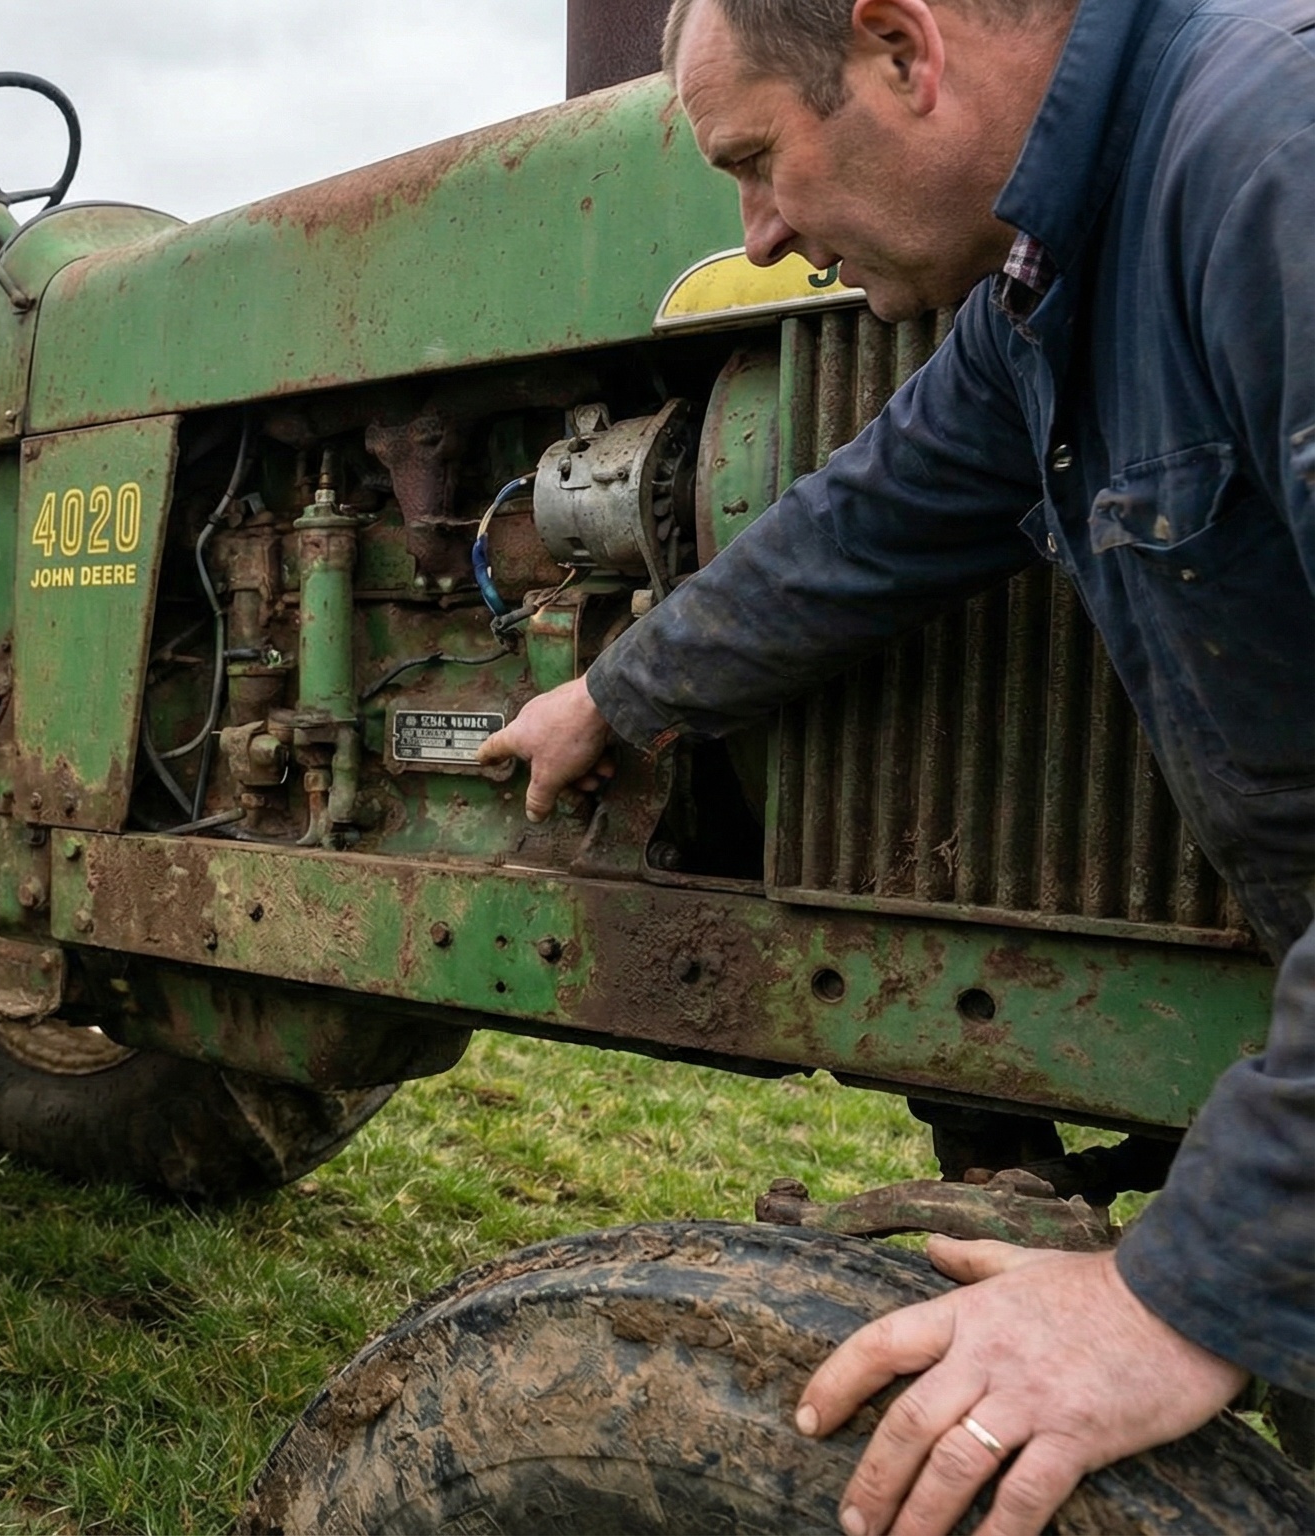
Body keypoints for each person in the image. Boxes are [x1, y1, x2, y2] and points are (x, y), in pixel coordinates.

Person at [479, 0, 1315, 1531]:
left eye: (759, 161)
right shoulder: (1070, 275)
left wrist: (1186, 1295)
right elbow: (877, 510)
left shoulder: (1275, 159)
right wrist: (619, 692)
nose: (767, 234)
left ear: (900, 50)